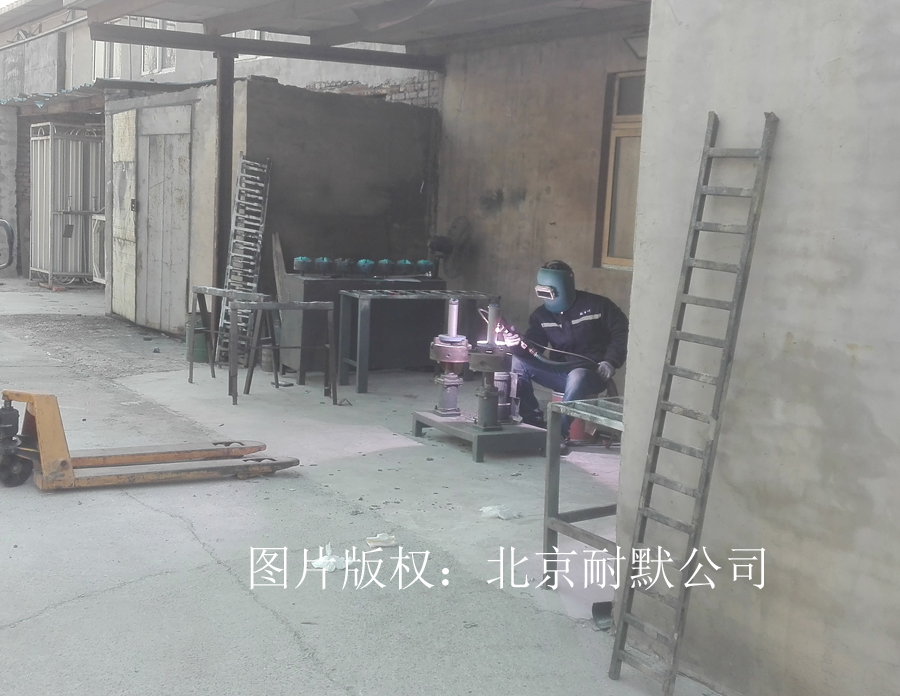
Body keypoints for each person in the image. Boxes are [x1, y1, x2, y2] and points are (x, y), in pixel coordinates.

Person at [506, 260, 629, 448]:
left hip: (592, 373)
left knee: (577, 376)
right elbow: (533, 349)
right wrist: (515, 345)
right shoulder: (541, 316)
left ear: (564, 287)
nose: (547, 297)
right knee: (518, 362)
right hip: (559, 372)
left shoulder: (598, 306)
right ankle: (533, 422)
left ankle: (557, 434)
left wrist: (610, 361)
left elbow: (622, 331)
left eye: (550, 292)